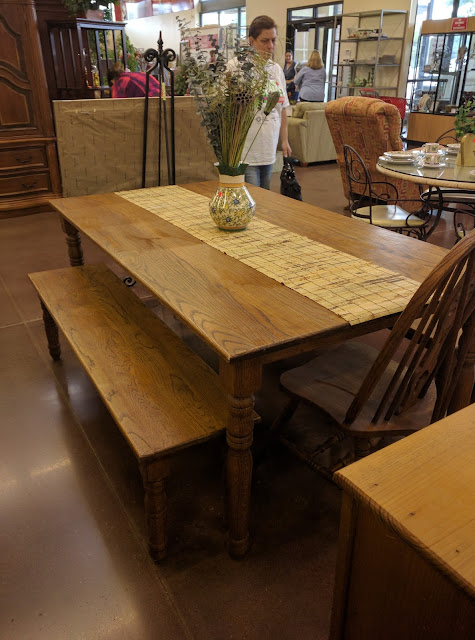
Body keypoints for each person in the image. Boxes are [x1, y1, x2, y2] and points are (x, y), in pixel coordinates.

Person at [228, 15, 291, 190]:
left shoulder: (276, 70)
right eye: (265, 41)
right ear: (251, 41)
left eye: (273, 40)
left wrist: (284, 141)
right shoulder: (235, 68)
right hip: (246, 151)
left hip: (269, 149)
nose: (270, 46)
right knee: (252, 199)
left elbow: (282, 109)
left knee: (265, 197)